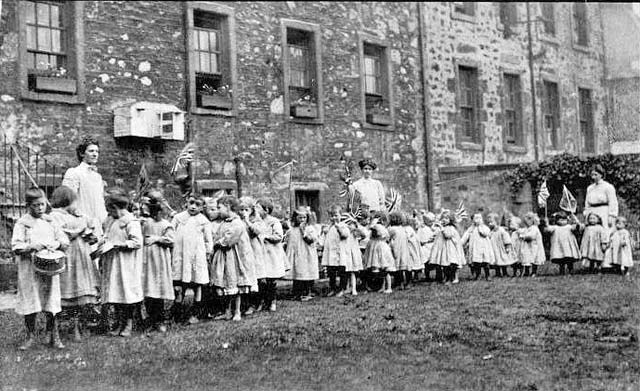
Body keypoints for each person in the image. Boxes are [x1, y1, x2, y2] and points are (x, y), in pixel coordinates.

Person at [13, 187, 69, 350]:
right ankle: (30, 336)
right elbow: (16, 246)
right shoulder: (23, 224)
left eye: (42, 205)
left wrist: (56, 244)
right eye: (35, 205)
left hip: (50, 269)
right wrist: (31, 246)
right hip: (30, 269)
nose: (39, 208)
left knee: (51, 300)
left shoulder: (51, 221)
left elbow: (64, 241)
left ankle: (54, 334)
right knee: (31, 300)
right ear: (28, 206)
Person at [49, 186, 100, 342]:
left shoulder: (76, 215)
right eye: (74, 202)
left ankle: (79, 325)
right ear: (67, 201)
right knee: (67, 290)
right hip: (68, 257)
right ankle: (60, 327)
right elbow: (62, 235)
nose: (76, 206)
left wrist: (87, 230)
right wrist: (80, 228)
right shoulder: (55, 216)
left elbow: (91, 225)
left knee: (81, 291)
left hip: (81, 258)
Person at [101, 189, 143, 337]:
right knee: (116, 293)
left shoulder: (131, 222)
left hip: (126, 264)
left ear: (115, 207)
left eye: (110, 210)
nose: (109, 213)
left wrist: (122, 245)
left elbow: (137, 242)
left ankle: (129, 323)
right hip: (114, 263)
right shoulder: (111, 220)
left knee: (127, 293)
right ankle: (119, 322)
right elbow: (106, 235)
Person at [209, 196, 258, 321]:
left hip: (235, 258)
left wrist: (218, 242)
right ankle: (227, 311)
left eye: (220, 208)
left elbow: (228, 240)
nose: (218, 211)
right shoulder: (224, 223)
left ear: (228, 207)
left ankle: (237, 311)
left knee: (235, 284)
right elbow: (217, 236)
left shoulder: (237, 223)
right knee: (227, 284)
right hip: (225, 258)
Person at [171, 193, 213, 324]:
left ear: (202, 207)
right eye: (191, 203)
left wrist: (207, 253)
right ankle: (177, 312)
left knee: (197, 283)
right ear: (186, 204)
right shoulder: (178, 218)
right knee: (179, 283)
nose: (193, 206)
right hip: (181, 255)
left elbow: (208, 240)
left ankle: (196, 312)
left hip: (196, 256)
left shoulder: (204, 221)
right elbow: (171, 234)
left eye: (197, 204)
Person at [141, 193, 175, 333]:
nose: (157, 215)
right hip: (147, 261)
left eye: (159, 212)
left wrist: (157, 239)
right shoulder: (146, 223)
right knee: (149, 290)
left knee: (158, 290)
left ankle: (160, 320)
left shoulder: (166, 225)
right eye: (154, 211)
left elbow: (171, 240)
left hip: (159, 262)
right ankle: (150, 319)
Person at [62, 138, 108, 232]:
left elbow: (100, 203)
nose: (95, 154)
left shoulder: (97, 177)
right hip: (81, 225)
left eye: (97, 151)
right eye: (91, 151)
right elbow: (68, 200)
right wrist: (84, 220)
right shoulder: (74, 173)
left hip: (98, 225)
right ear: (82, 153)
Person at [256, 199, 288, 311]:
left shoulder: (274, 222)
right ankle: (262, 301)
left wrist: (266, 236)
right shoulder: (256, 221)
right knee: (261, 279)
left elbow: (279, 236)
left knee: (271, 279)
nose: (255, 210)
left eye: (258, 208)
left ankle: (272, 301)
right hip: (260, 254)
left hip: (271, 254)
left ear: (266, 210)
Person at [238, 196, 266, 314]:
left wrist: (247, 221)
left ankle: (258, 302)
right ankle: (247, 303)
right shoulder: (237, 220)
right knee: (246, 276)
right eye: (241, 210)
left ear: (252, 210)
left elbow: (256, 232)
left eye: (246, 210)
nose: (243, 212)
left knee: (257, 277)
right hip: (244, 251)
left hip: (255, 251)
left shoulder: (257, 220)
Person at [285, 207, 320, 301]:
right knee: (297, 273)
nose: (302, 220)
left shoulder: (309, 228)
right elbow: (289, 241)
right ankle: (297, 293)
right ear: (295, 218)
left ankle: (308, 292)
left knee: (306, 272)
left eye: (304, 218)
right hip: (296, 254)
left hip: (306, 255)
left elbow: (311, 240)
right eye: (300, 218)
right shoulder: (292, 229)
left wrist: (303, 231)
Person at [321, 205, 351, 297]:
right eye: (332, 216)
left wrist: (339, 229)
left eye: (336, 215)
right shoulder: (329, 227)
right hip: (331, 254)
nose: (334, 218)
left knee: (342, 272)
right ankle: (333, 288)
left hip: (340, 253)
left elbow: (345, 235)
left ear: (340, 216)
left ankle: (342, 288)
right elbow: (324, 238)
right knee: (331, 272)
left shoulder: (344, 226)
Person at [429, 210, 465, 285]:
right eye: (443, 218)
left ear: (450, 220)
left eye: (446, 218)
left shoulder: (451, 228)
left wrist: (442, 229)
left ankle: (450, 278)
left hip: (450, 248)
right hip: (443, 249)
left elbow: (447, 235)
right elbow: (436, 234)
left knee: (449, 264)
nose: (444, 220)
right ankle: (445, 277)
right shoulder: (442, 228)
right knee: (444, 265)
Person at [363, 211, 395, 293]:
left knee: (384, 268)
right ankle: (381, 287)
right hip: (375, 247)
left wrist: (374, 222)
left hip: (380, 248)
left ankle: (388, 287)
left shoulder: (378, 227)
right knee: (379, 269)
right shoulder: (377, 228)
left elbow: (381, 233)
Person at [583, 164, 619, 233]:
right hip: (592, 213)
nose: (593, 177)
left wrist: (611, 215)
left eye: (595, 175)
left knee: (605, 232)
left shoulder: (608, 187)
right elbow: (587, 203)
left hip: (604, 212)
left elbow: (613, 202)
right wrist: (586, 213)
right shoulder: (590, 188)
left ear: (601, 175)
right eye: (592, 175)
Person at [544, 211, 581, 276]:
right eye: (560, 220)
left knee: (569, 258)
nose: (562, 222)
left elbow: (576, 227)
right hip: (559, 247)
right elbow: (548, 230)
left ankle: (570, 270)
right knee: (561, 259)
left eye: (564, 220)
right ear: (557, 220)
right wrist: (546, 223)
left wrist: (576, 220)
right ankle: (562, 270)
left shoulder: (569, 227)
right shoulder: (555, 227)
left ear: (567, 220)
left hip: (568, 247)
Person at [461, 213, 495, 281]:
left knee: (486, 263)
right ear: (473, 220)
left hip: (484, 248)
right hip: (475, 249)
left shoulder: (484, 227)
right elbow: (465, 236)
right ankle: (478, 275)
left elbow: (485, 233)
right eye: (476, 219)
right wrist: (460, 243)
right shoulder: (471, 229)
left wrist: (480, 227)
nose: (478, 220)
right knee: (476, 263)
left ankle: (487, 275)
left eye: (479, 218)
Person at [518, 212, 546, 278]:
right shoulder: (527, 228)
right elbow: (521, 231)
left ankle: (534, 272)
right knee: (527, 258)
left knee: (534, 259)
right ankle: (526, 271)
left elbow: (531, 236)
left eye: (529, 219)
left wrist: (523, 236)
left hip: (534, 247)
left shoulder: (534, 228)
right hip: (528, 247)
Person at [388, 212, 411, 290]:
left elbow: (387, 237)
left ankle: (399, 283)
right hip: (404, 249)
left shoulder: (391, 229)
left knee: (397, 265)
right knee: (405, 264)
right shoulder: (402, 228)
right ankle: (407, 283)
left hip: (396, 248)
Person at [486, 213, 513, 278]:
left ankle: (505, 272)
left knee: (502, 260)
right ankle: (497, 273)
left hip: (501, 248)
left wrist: (507, 246)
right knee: (496, 260)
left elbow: (506, 238)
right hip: (494, 249)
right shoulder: (491, 232)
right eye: (488, 223)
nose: (490, 224)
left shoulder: (501, 230)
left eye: (491, 222)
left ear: (496, 222)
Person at [418, 212, 438, 281]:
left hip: (433, 246)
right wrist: (426, 240)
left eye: (432, 221)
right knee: (426, 262)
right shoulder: (422, 228)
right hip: (425, 246)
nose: (431, 223)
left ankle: (438, 275)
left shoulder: (433, 228)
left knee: (435, 260)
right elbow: (420, 239)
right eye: (429, 222)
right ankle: (427, 275)